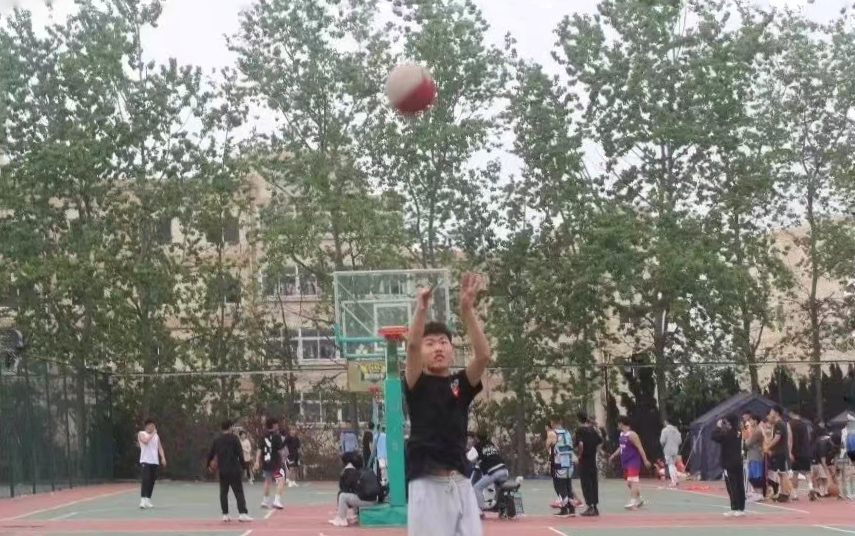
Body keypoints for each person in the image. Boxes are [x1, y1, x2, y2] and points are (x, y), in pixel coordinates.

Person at [404, 272, 491, 536]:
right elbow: (411, 347)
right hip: (427, 485)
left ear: (452, 350)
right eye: (430, 344)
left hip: (461, 482)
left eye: (443, 342)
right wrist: (421, 309)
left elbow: (483, 355)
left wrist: (467, 311)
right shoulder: (416, 383)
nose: (438, 348)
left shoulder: (460, 384)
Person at [208, 420, 252, 522]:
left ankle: (225, 514)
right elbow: (240, 454)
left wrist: (208, 465)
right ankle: (242, 514)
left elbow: (211, 453)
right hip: (234, 469)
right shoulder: (234, 439)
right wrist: (244, 467)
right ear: (230, 427)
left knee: (223, 492)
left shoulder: (217, 439)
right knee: (238, 492)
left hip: (222, 470)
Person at [609, 416, 651, 510]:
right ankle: (639, 499)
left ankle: (633, 503)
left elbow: (640, 447)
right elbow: (621, 447)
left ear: (621, 423)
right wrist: (613, 455)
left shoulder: (632, 435)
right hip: (625, 461)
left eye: (618, 423)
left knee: (632, 480)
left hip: (633, 461)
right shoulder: (622, 435)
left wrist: (645, 460)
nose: (617, 425)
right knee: (629, 483)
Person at [712, 414, 746, 517]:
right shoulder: (738, 432)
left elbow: (714, 436)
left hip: (729, 463)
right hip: (738, 462)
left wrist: (718, 427)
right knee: (739, 484)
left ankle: (735, 507)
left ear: (729, 422)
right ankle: (740, 508)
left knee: (731, 486)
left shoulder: (727, 433)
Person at [329, 453, 375, 527]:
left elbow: (344, 488)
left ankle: (342, 519)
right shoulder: (363, 470)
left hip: (368, 502)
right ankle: (354, 515)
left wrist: (344, 474)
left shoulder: (351, 472)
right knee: (350, 494)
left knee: (342, 496)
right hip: (372, 500)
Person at [469, 432, 509, 517]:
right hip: (505, 470)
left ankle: (479, 510)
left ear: (477, 438)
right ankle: (501, 506)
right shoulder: (491, 444)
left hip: (494, 472)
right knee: (498, 486)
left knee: (476, 488)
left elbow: (469, 458)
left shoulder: (477, 446)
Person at [574, 413, 602, 516]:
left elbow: (580, 444)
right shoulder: (592, 429)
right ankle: (595, 506)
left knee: (586, 484)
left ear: (578, 420)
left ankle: (590, 507)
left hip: (584, 460)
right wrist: (596, 452)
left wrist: (579, 455)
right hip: (592, 460)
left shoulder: (580, 430)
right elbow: (600, 441)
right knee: (594, 482)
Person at [548, 416, 576, 517]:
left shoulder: (552, 433)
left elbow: (548, 445)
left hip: (558, 462)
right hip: (568, 462)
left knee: (559, 485)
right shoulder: (567, 433)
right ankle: (571, 508)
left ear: (552, 422)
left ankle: (564, 509)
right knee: (568, 485)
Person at [256, 416, 286, 510]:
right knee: (281, 480)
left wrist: (257, 461)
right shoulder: (277, 436)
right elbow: (280, 450)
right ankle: (276, 501)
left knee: (267, 481)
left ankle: (265, 501)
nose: (278, 426)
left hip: (266, 462)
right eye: (276, 424)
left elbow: (259, 450)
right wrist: (284, 459)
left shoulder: (263, 436)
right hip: (275, 463)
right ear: (273, 425)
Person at [764, 405, 792, 502]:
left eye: (772, 411)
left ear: (776, 412)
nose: (770, 413)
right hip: (781, 452)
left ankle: (784, 494)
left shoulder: (779, 424)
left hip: (780, 452)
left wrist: (768, 447)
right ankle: (783, 493)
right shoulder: (781, 423)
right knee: (781, 473)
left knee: (782, 473)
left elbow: (777, 438)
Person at [137, 418, 167, 509]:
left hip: (154, 461)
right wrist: (153, 433)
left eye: (154, 426)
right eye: (152, 425)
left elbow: (160, 448)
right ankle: (142, 500)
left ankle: (148, 499)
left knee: (151, 481)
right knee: (145, 480)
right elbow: (145, 441)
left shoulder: (156, 436)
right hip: (145, 461)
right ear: (147, 426)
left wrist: (163, 457)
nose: (153, 427)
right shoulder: (141, 433)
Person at [788, 408, 813, 501]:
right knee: (807, 472)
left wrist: (790, 452)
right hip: (805, 450)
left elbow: (790, 439)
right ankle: (811, 488)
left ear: (791, 413)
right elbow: (808, 437)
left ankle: (795, 494)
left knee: (795, 473)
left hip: (795, 451)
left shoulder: (790, 424)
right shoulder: (805, 424)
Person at [743, 414, 767, 500]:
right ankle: (756, 493)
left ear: (756, 421)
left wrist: (746, 439)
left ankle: (759, 494)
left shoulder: (757, 431)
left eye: (751, 420)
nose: (750, 422)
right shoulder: (754, 430)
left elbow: (748, 443)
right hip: (752, 456)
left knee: (757, 476)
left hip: (756, 456)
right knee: (752, 476)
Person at [659, 419, 681, 489]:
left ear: (666, 422)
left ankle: (673, 481)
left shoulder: (665, 430)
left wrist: (664, 445)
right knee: (673, 464)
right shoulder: (677, 431)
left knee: (670, 465)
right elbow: (680, 441)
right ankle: (676, 480)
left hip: (668, 449)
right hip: (675, 449)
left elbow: (662, 441)